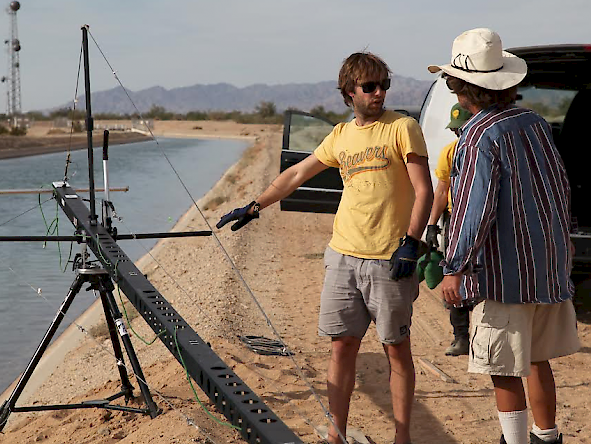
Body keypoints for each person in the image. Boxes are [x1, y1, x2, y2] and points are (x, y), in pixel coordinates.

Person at [217, 52, 433, 444]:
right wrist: (254, 206)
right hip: (344, 256)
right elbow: (298, 172)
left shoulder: (403, 127)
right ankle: (336, 434)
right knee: (342, 346)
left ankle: (403, 437)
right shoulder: (341, 135)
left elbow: (424, 190)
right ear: (349, 92)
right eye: (370, 87)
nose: (379, 92)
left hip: (389, 258)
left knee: (396, 348)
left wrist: (411, 243)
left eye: (384, 84)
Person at [429, 28, 580, 444]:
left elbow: (473, 210)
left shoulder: (477, 137)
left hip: (504, 274)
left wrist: (454, 267)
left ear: (462, 87)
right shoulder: (534, 124)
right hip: (546, 266)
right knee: (537, 359)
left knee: (504, 366)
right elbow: (559, 187)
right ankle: (546, 437)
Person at [424, 103, 473, 356]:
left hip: (480, 221)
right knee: (454, 278)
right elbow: (441, 191)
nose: (457, 133)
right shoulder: (450, 153)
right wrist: (432, 225)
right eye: (454, 129)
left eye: (460, 128)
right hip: (455, 220)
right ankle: (461, 337)